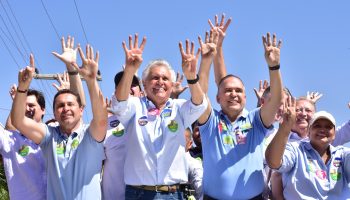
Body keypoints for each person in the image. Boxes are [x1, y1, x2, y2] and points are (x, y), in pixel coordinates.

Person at [197, 13, 284, 198]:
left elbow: (276, 100)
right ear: (218, 98)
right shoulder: (210, 122)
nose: (233, 94)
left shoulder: (256, 120)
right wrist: (207, 59)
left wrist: (274, 67)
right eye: (228, 91)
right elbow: (199, 94)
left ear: (245, 96)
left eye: (238, 91)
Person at [111, 34, 207, 199]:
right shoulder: (135, 105)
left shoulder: (179, 107)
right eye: (154, 78)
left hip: (173, 193)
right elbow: (119, 104)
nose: (160, 82)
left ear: (171, 85)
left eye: (165, 78)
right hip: (138, 193)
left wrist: (191, 76)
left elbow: (200, 105)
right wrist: (130, 70)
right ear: (145, 83)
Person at [11, 42, 107, 200]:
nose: (66, 108)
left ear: (81, 109)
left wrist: (91, 81)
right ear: (54, 113)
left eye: (70, 104)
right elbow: (18, 121)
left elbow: (101, 118)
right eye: (60, 106)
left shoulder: (91, 134)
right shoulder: (49, 137)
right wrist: (23, 88)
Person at [266, 99, 350, 199]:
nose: (322, 130)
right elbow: (274, 163)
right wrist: (284, 128)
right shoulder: (295, 149)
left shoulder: (342, 154)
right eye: (317, 126)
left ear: (334, 134)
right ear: (309, 132)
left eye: (328, 127)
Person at [102, 70, 142, 200]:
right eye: (122, 84)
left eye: (133, 84)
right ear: (116, 92)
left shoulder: (153, 121)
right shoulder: (104, 125)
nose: (127, 87)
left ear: (142, 93)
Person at [0, 86, 46, 200]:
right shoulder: (9, 140)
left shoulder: (54, 137)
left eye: (31, 105)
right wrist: (16, 102)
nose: (26, 109)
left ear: (43, 109)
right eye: (23, 105)